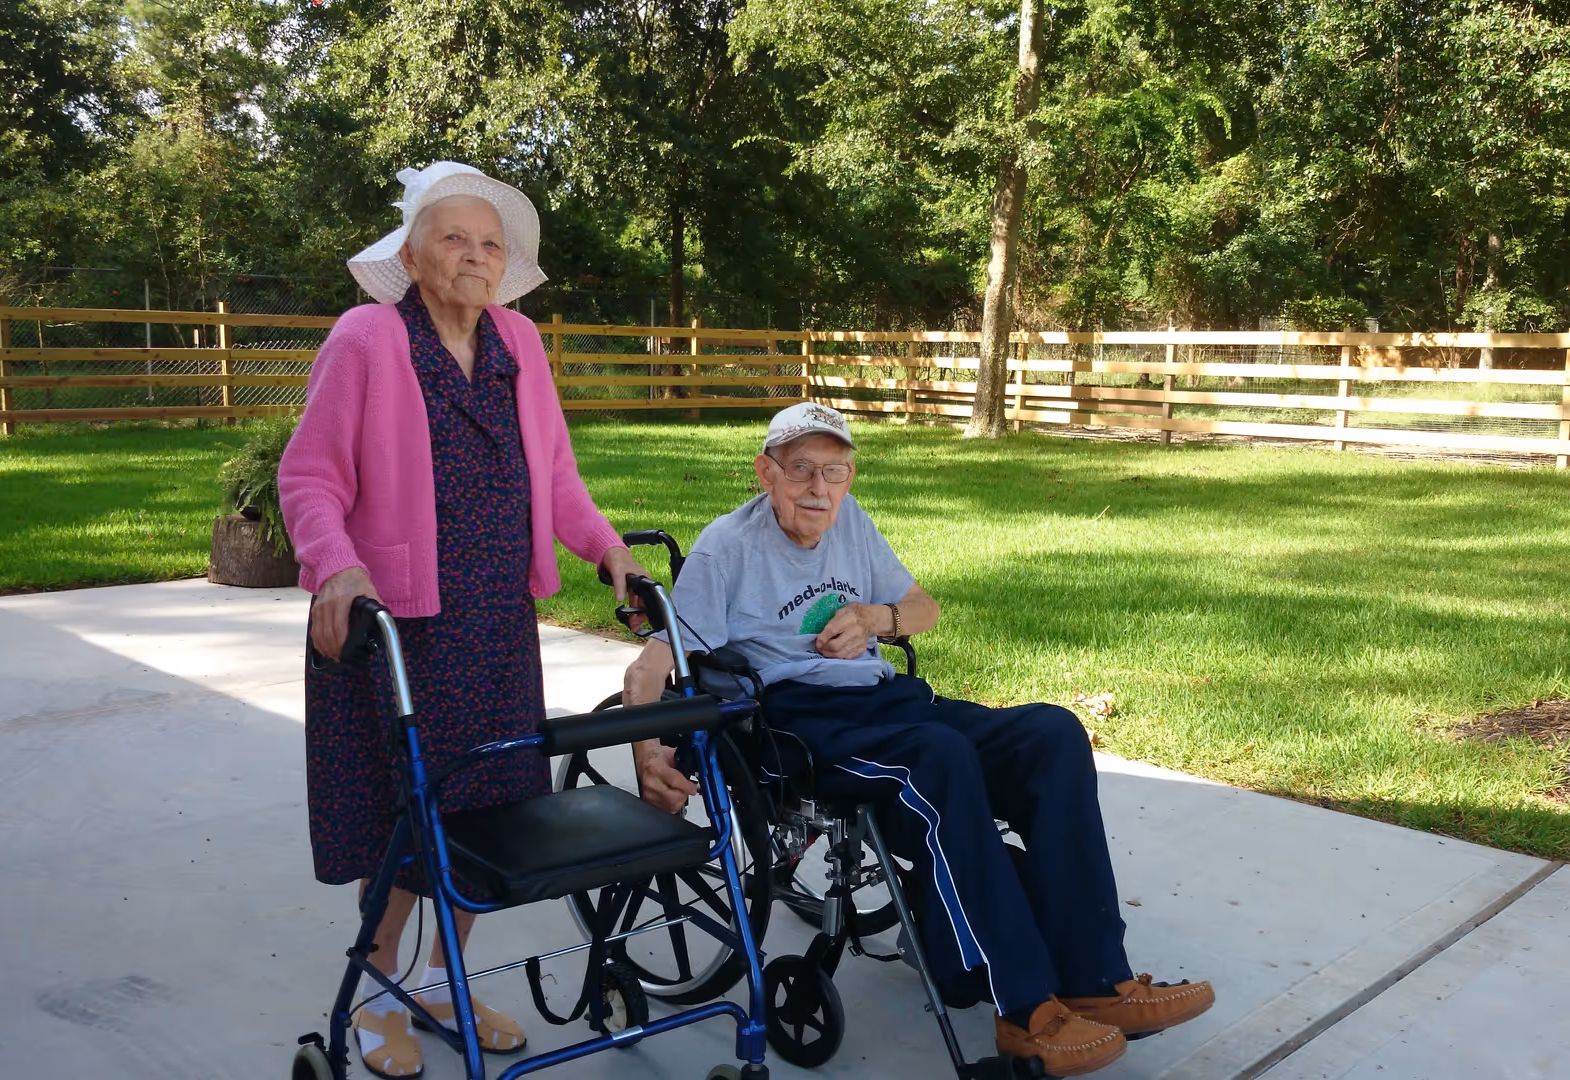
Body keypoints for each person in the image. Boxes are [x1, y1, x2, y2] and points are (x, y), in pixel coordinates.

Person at [622, 403, 1214, 1077]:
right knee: (939, 758)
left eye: (835, 471)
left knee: (1053, 732)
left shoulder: (855, 526)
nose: (819, 488)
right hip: (803, 722)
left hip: (888, 700)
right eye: (802, 470)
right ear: (768, 472)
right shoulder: (728, 547)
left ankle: (1096, 979)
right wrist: (648, 751)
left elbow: (924, 608)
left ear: (849, 476)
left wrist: (880, 615)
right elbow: (651, 663)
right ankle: (1025, 1012)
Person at [279, 161, 649, 1079]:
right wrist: (338, 569)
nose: (476, 256)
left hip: (495, 621)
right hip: (395, 624)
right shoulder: (368, 338)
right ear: (411, 254)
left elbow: (557, 478)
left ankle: (445, 985)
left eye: (492, 243)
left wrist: (610, 551)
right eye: (455, 238)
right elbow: (310, 476)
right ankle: (376, 997)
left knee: (485, 808)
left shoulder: (519, 340)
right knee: (400, 815)